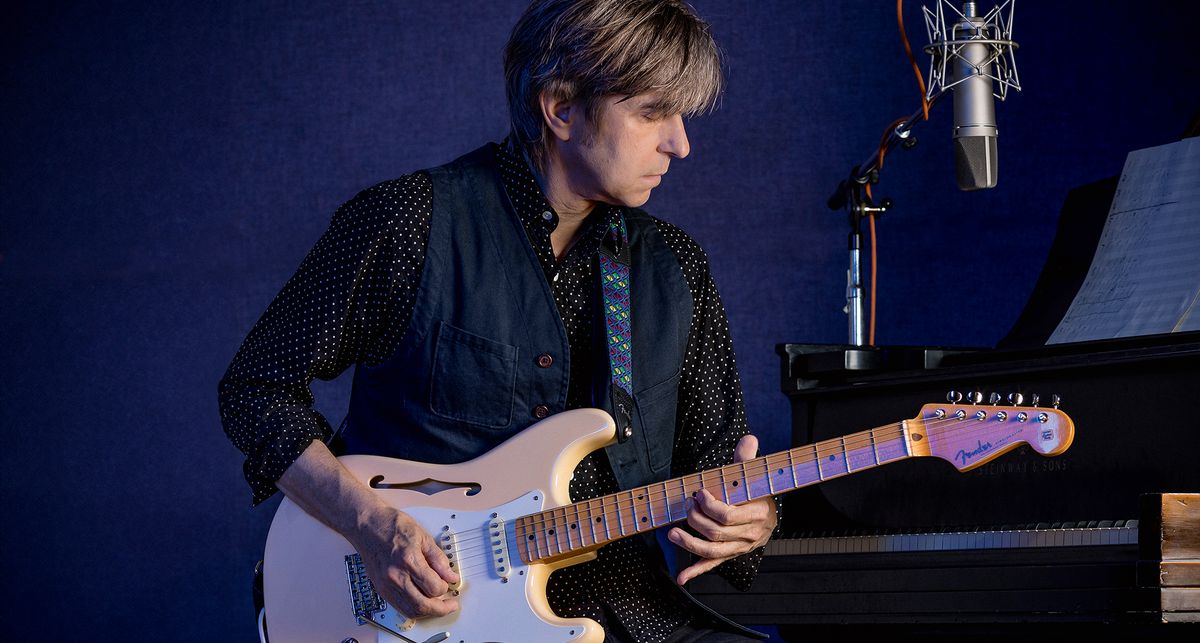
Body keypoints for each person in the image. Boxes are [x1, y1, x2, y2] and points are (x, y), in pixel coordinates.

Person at [219, 1, 778, 641]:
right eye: (653, 112)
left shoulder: (677, 268)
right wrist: (372, 528)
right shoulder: (409, 224)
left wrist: (752, 517)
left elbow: (715, 458)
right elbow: (253, 390)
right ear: (561, 107)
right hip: (433, 614)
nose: (680, 143)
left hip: (630, 608)